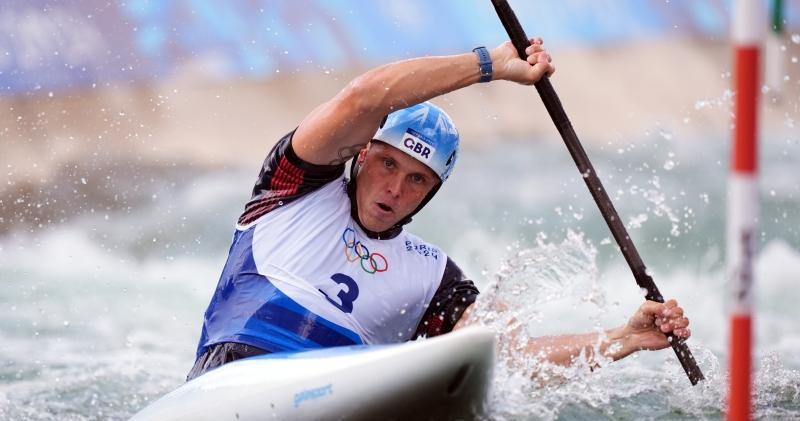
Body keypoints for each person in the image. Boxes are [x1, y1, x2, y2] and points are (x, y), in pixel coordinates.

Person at [187, 38, 691, 381]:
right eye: (386, 163)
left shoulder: (432, 276)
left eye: (416, 180)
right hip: (233, 372)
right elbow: (364, 96)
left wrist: (622, 338)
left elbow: (503, 361)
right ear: (361, 153)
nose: (394, 188)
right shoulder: (295, 184)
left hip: (334, 389)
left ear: (431, 192)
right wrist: (489, 64)